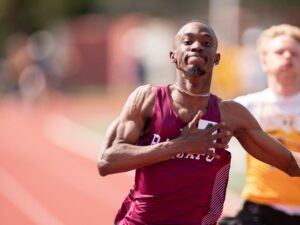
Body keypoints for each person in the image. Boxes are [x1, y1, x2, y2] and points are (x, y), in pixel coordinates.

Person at [97, 21, 300, 225]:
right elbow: (108, 161)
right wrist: (179, 146)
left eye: (206, 42)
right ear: (173, 56)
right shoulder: (147, 98)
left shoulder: (230, 115)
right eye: (188, 41)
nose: (197, 46)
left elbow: (290, 163)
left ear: (216, 59)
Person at [219, 24, 300, 225]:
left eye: (294, 53)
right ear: (264, 61)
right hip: (259, 211)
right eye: (280, 52)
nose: (287, 57)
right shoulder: (245, 106)